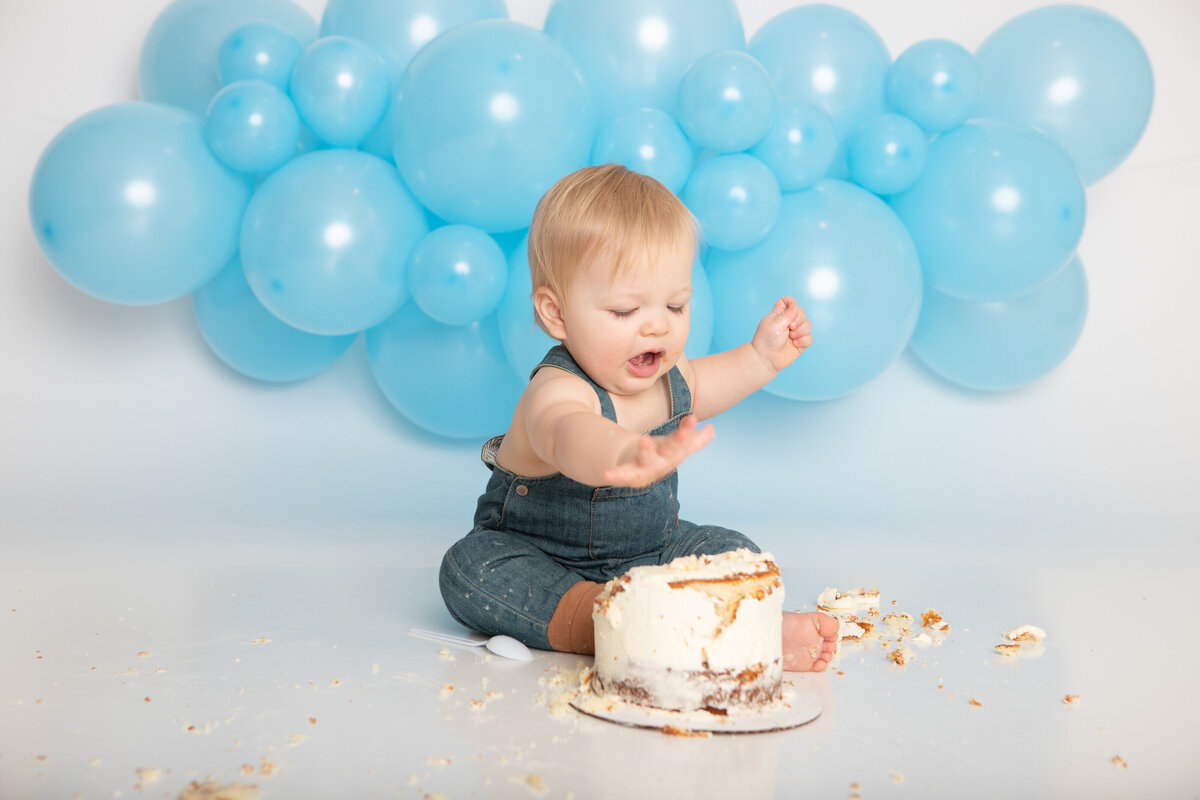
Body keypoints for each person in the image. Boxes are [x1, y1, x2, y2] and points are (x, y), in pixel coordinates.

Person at [439, 164, 838, 671]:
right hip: (540, 557)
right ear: (557, 314)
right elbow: (569, 434)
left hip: (650, 554)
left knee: (733, 551)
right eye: (625, 311)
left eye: (675, 305)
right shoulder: (555, 390)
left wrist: (759, 358)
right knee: (469, 571)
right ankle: (613, 624)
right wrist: (625, 454)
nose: (656, 326)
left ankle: (738, 624)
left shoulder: (668, 377)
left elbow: (708, 384)